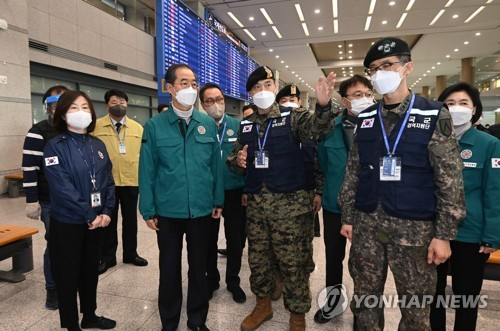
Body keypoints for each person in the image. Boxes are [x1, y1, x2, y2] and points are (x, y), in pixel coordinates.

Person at [338, 37, 466, 330]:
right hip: (368, 224)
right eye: (374, 68)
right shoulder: (367, 117)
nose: (380, 72)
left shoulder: (433, 114)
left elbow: (449, 179)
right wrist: (348, 216)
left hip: (415, 230)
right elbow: (355, 169)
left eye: (387, 65)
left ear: (407, 67)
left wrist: (444, 233)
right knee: (365, 300)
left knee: (416, 308)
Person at [227, 66, 337, 331]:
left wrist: (323, 105)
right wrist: (238, 161)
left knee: (293, 263)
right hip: (257, 209)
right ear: (250, 94)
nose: (262, 91)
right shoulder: (246, 124)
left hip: (291, 209)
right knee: (258, 260)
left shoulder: (293, 117)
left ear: (274, 88)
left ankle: (297, 314)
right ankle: (262, 305)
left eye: (267, 84)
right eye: (256, 87)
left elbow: (316, 128)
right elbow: (233, 159)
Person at [139, 63, 224, 331]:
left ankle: (197, 319)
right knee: (169, 270)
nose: (190, 88)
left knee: (199, 269)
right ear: (169, 88)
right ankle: (169, 320)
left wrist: (217, 200)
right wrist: (148, 209)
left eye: (194, 83)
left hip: (201, 209)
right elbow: (147, 169)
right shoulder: (154, 126)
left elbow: (215, 167)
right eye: (184, 83)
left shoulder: (207, 123)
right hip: (168, 211)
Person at [44, 90, 116, 331]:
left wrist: (106, 211)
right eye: (73, 108)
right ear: (63, 115)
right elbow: (62, 188)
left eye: (85, 107)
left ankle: (90, 316)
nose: (81, 112)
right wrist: (90, 215)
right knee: (67, 275)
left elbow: (108, 181)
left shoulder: (98, 144)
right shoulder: (55, 147)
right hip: (68, 222)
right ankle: (71, 323)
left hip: (96, 221)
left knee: (90, 272)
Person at [431, 82, 500, 331]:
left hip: (471, 232)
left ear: (474, 110)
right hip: (434, 231)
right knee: (432, 296)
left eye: (463, 103)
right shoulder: (432, 141)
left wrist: (491, 235)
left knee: (466, 297)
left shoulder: (489, 144)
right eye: (450, 104)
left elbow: (495, 192)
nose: (456, 108)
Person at [314, 74, 375, 324]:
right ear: (345, 101)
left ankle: (364, 310)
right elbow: (322, 166)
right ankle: (333, 302)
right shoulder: (329, 129)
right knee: (334, 257)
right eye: (357, 95)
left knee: (366, 262)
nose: (364, 99)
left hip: (368, 208)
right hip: (334, 206)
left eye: (367, 94)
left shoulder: (381, 127)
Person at [200, 82, 247, 303]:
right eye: (209, 101)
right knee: (207, 239)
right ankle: (211, 279)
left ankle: (233, 281)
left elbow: (248, 160)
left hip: (234, 191)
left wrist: (247, 188)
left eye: (219, 99)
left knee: (235, 239)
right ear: (202, 104)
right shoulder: (198, 127)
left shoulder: (238, 126)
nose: (215, 104)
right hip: (208, 194)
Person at [22, 84, 68, 310]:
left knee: (72, 245)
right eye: (54, 102)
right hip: (51, 200)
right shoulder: (38, 131)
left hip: (76, 201)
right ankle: (53, 290)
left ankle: (68, 284)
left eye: (64, 101)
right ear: (47, 106)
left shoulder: (77, 129)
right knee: (56, 245)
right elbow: (29, 168)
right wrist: (32, 200)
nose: (59, 106)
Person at [93, 89, 147, 275]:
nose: (119, 104)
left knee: (131, 221)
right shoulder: (96, 126)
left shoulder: (137, 128)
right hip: (106, 183)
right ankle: (108, 257)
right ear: (107, 105)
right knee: (108, 221)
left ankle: (130, 254)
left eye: (122, 101)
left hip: (131, 179)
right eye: (114, 101)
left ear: (127, 104)